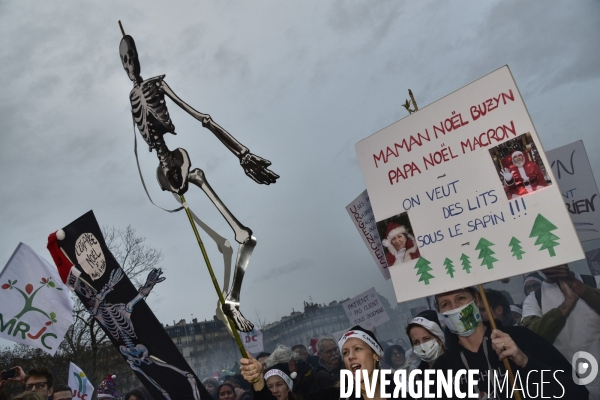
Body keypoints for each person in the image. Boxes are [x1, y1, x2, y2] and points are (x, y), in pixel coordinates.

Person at [432, 287, 588, 399]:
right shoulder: (443, 368)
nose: (455, 309)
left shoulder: (520, 338)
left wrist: (526, 363)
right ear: (440, 312)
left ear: (477, 299)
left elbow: (577, 391)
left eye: (460, 298)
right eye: (445, 304)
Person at [521, 264, 600, 398]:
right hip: (571, 385)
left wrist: (579, 287)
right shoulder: (534, 300)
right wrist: (565, 306)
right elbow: (531, 339)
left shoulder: (595, 281)